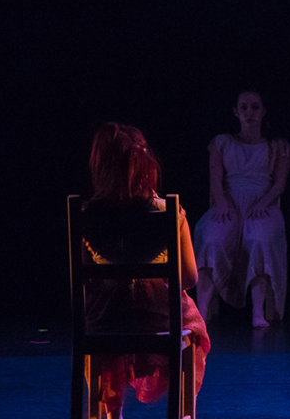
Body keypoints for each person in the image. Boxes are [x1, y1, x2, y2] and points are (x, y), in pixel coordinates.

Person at [81, 122, 210, 417]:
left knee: (103, 312)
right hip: (158, 322)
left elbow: (87, 280)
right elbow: (189, 277)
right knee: (190, 321)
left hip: (106, 324)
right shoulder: (169, 212)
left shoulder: (86, 217)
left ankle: (108, 411)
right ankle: (184, 411)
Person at [193, 90, 290, 328]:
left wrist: (262, 203)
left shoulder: (277, 146)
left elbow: (280, 184)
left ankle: (258, 312)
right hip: (228, 202)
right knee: (211, 239)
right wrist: (223, 203)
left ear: (263, 111)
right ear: (236, 112)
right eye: (244, 107)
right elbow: (215, 180)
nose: (249, 113)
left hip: (262, 204)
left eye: (255, 107)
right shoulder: (222, 142)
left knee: (259, 239)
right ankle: (201, 311)